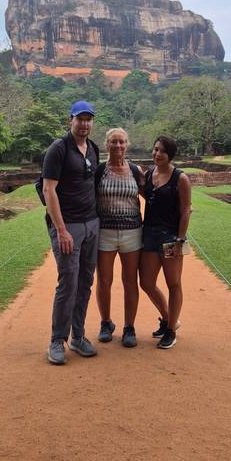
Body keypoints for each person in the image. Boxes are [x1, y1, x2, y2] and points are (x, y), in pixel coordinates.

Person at [42, 101, 100, 365]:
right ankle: (57, 340)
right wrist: (62, 230)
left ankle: (78, 335)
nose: (84, 124)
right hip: (69, 227)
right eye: (80, 119)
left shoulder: (93, 149)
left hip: (91, 225)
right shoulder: (59, 148)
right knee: (68, 281)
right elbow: (48, 190)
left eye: (89, 119)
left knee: (86, 282)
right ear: (71, 120)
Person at [139, 135, 191, 349]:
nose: (157, 154)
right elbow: (148, 196)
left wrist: (180, 240)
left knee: (173, 283)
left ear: (170, 155)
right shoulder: (150, 174)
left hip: (171, 238)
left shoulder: (180, 178)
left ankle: (170, 331)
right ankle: (169, 319)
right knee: (147, 283)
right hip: (150, 235)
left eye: (162, 151)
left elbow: (186, 209)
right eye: (155, 149)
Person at [95, 128, 144, 348]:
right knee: (104, 281)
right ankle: (106, 322)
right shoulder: (99, 171)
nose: (118, 146)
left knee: (130, 280)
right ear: (106, 145)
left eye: (121, 142)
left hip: (132, 233)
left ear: (127, 144)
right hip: (104, 232)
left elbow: (152, 196)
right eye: (113, 142)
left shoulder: (135, 171)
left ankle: (129, 327)